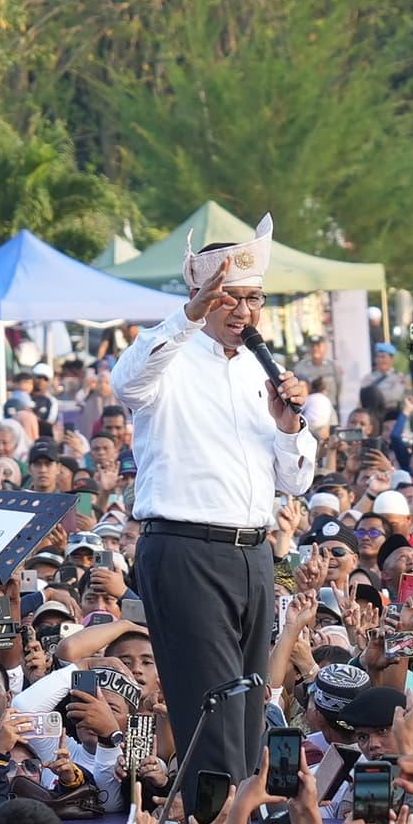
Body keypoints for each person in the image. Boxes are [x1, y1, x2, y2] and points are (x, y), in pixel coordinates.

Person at [120, 230, 314, 784]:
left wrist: (287, 426)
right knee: (214, 708)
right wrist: (185, 317)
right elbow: (126, 384)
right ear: (202, 297)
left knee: (250, 708)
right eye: (229, 297)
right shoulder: (167, 356)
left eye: (254, 298)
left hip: (253, 554)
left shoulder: (262, 369)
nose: (244, 310)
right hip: (185, 550)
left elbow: (295, 480)